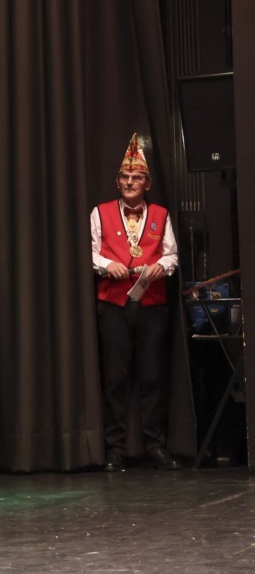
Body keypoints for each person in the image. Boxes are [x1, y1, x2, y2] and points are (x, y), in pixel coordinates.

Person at [90, 135, 180, 472]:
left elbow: (172, 255)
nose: (130, 183)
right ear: (118, 182)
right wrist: (105, 265)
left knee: (152, 377)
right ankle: (114, 448)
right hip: (113, 305)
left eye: (136, 178)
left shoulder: (160, 214)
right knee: (116, 378)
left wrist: (162, 267)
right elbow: (90, 252)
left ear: (147, 183)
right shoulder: (100, 213)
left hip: (151, 304)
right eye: (125, 178)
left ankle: (154, 445)